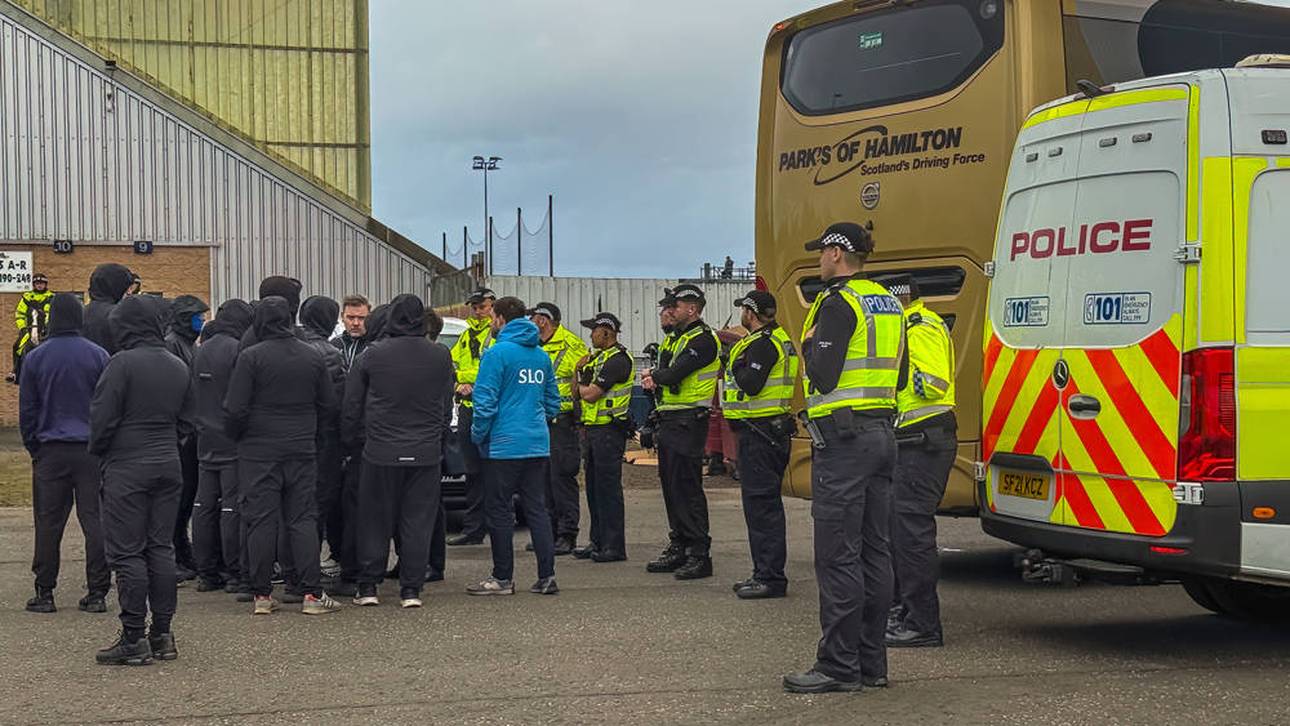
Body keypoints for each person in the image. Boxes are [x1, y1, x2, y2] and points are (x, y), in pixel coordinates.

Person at [783, 222, 906, 694]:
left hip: (844, 441)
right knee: (876, 550)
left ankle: (837, 666)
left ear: (837, 253)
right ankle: (872, 664)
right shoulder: (889, 303)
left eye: (822, 252)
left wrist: (808, 343)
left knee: (838, 555)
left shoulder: (837, 302)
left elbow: (823, 375)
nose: (818, 259)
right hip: (882, 433)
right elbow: (900, 376)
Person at [89, 295, 194, 666]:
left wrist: (101, 450)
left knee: (127, 552)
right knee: (160, 547)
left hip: (127, 464)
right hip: (168, 462)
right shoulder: (177, 363)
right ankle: (162, 634)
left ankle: (133, 636)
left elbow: (102, 418)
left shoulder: (121, 363)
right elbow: (188, 418)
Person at [224, 296, 340, 616]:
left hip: (258, 449)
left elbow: (235, 408)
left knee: (261, 520)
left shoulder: (250, 357)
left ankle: (262, 594)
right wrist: (314, 435)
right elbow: (329, 405)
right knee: (302, 519)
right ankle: (311, 594)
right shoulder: (312, 356)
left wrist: (239, 437)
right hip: (301, 447)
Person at [342, 294, 454, 608]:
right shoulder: (440, 355)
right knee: (418, 520)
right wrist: (438, 439)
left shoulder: (373, 354)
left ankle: (368, 586)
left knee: (374, 518)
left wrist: (350, 442)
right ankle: (411, 589)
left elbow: (352, 404)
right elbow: (446, 404)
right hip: (425, 450)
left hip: (380, 449)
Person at [19, 293, 110, 614]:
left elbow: (27, 410)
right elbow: (105, 406)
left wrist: (34, 446)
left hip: (50, 449)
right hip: (91, 450)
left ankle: (45, 591)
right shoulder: (99, 355)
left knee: (48, 522)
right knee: (95, 520)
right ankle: (97, 592)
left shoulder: (36, 358)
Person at [467, 296, 561, 596]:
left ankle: (502, 578)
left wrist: (478, 434)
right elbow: (553, 401)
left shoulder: (496, 354)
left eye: (492, 317)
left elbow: (485, 402)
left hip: (503, 445)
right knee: (537, 509)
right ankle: (547, 576)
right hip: (536, 443)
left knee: (499, 510)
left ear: (501, 319)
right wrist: (536, 420)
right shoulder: (541, 355)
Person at [883, 274, 956, 649]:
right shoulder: (909, 327)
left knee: (911, 534)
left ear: (898, 298)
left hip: (923, 440)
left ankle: (922, 624)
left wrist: (897, 380)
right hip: (911, 440)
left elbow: (932, 383)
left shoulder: (919, 327)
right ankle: (904, 612)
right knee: (898, 531)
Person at [722, 290, 798, 600]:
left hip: (761, 434)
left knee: (762, 508)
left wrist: (734, 362)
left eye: (743, 309)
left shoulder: (764, 344)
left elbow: (751, 384)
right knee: (762, 507)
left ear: (750, 313)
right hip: (765, 431)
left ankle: (769, 577)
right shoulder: (772, 339)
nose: (741, 314)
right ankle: (763, 572)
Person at [641, 284, 719, 580]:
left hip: (689, 420)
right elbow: (663, 378)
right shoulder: (675, 339)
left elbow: (673, 374)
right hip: (671, 418)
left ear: (693, 309)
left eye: (675, 305)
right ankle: (680, 544)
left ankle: (699, 553)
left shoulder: (703, 339)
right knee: (671, 487)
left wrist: (655, 375)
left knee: (687, 487)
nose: (669, 310)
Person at [190, 299, 254, 597]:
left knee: (203, 506)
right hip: (232, 440)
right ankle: (234, 571)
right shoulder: (238, 350)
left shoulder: (200, 350)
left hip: (205, 438)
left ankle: (206, 571)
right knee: (231, 508)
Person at [528, 302, 588, 556]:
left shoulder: (572, 345)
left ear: (543, 320)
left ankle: (567, 534)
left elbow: (583, 381)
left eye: (533, 317)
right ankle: (548, 533)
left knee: (561, 479)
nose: (530, 322)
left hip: (563, 422)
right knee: (541, 480)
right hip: (538, 421)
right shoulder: (533, 345)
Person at [575, 312, 633, 563]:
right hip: (593, 429)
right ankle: (597, 541)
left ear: (607, 332)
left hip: (609, 431)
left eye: (594, 330)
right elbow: (579, 391)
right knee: (594, 488)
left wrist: (580, 381)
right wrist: (579, 374)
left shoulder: (618, 360)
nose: (591, 335)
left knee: (608, 490)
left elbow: (590, 395)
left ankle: (614, 546)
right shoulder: (598, 358)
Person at [164, 295, 210, 583]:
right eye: (197, 317)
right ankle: (175, 553)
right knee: (178, 500)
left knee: (187, 497)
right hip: (180, 434)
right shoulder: (172, 344)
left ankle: (183, 550)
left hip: (191, 431)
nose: (202, 321)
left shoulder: (189, 344)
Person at [299, 296, 346, 577]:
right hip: (323, 440)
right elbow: (334, 403)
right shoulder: (330, 353)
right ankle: (309, 571)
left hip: (293, 436)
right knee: (316, 506)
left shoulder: (291, 345)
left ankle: (296, 569)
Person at [446, 287, 496, 547]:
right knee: (473, 471)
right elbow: (452, 365)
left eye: (482, 306)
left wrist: (470, 383)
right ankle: (474, 528)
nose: (477, 311)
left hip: (490, 409)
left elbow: (495, 369)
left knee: (495, 470)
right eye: (474, 307)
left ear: (493, 306)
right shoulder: (466, 335)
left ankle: (496, 525)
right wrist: (458, 385)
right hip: (467, 407)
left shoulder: (497, 335)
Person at [82, 263, 134, 355]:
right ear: (117, 287)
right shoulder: (120, 316)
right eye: (127, 288)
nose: (129, 293)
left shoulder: (79, 314)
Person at [10, 271, 52, 383]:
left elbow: (52, 314)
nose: (39, 285)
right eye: (37, 283)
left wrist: (47, 326)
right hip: (29, 329)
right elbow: (19, 314)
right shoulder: (27, 297)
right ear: (34, 285)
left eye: (41, 283)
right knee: (17, 346)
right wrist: (23, 328)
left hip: (46, 330)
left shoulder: (51, 297)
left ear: (45, 285)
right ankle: (15, 372)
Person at [333, 294, 370, 374]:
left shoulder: (375, 345)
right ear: (342, 317)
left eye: (361, 318)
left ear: (370, 318)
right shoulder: (334, 345)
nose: (356, 323)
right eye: (351, 317)